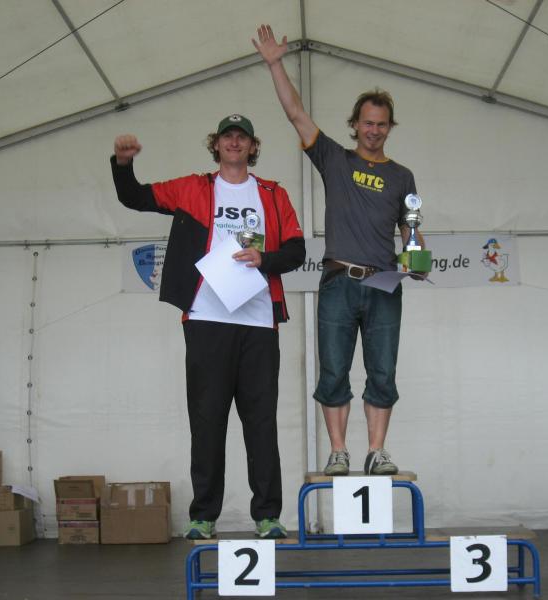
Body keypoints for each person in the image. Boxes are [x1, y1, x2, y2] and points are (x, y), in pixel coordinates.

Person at [110, 114, 306, 539]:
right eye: (227, 137)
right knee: (207, 420)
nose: (234, 143)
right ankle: (203, 516)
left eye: (242, 137)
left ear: (253, 146)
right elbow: (134, 197)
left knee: (261, 422)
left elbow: (296, 250)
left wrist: (264, 259)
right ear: (215, 145)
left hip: (259, 321)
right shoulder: (193, 187)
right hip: (206, 318)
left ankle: (267, 516)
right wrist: (123, 164)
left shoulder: (273, 194)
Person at [253, 25, 425, 477]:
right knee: (333, 371)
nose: (374, 130)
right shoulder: (335, 158)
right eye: (367, 123)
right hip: (338, 280)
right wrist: (275, 64)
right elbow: (296, 114)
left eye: (381, 124)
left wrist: (418, 259)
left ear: (390, 128)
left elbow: (410, 228)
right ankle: (338, 451)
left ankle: (376, 451)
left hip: (385, 284)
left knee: (382, 372)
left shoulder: (402, 176)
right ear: (355, 125)